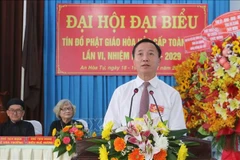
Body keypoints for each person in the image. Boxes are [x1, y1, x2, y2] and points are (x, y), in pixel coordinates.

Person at [103, 38, 186, 130]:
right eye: (140, 54)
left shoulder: (171, 94)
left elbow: (178, 131)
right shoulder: (121, 92)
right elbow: (110, 128)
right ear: (133, 60)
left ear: (159, 60)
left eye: (151, 54)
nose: (145, 58)